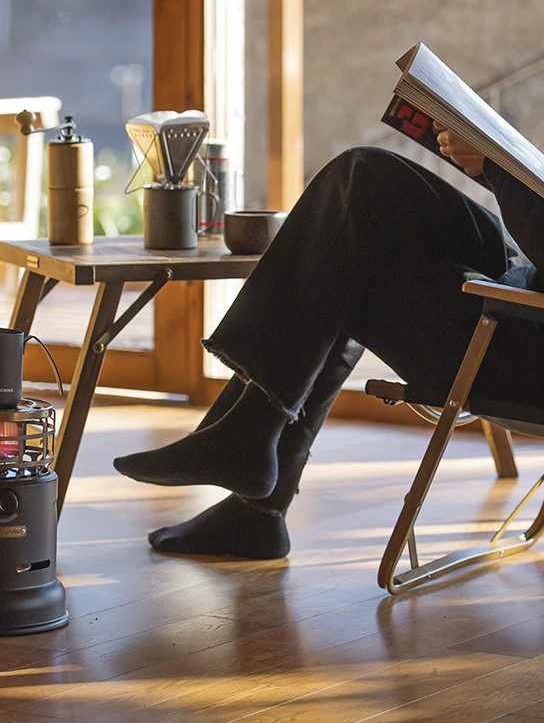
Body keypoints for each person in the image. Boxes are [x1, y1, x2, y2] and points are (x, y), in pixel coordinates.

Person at [113, 126, 544, 560]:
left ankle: (252, 472)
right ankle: (249, 453)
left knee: (355, 241)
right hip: (523, 296)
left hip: (519, 348)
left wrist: (498, 168)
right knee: (363, 179)